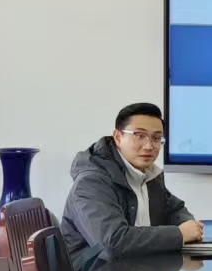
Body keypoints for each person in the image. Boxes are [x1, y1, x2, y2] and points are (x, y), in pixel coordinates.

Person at [59, 102, 203, 262]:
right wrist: (179, 234)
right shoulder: (92, 182)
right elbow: (113, 243)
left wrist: (188, 224)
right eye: (139, 136)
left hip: (138, 268)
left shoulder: (148, 174)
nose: (149, 146)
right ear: (118, 137)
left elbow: (174, 209)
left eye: (156, 138)